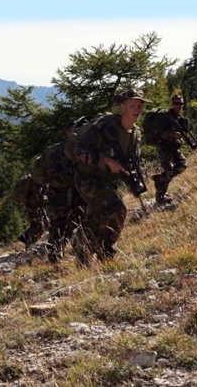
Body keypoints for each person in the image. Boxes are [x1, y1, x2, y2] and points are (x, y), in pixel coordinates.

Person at [73, 89, 147, 263]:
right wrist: (105, 161)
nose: (136, 109)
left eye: (139, 106)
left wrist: (133, 181)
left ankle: (95, 248)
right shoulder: (105, 126)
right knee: (116, 207)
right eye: (132, 105)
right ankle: (99, 249)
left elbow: (131, 162)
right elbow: (79, 151)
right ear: (122, 106)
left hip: (108, 181)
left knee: (105, 213)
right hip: (88, 177)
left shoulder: (135, 134)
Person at [33, 121, 86, 263]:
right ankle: (55, 256)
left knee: (63, 223)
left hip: (61, 193)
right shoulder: (69, 150)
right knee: (63, 223)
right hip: (64, 193)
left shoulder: (54, 150)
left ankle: (57, 255)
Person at [152, 95, 190, 205]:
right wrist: (172, 134)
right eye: (176, 103)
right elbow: (159, 133)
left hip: (174, 148)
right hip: (164, 148)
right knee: (169, 171)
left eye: (181, 103)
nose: (179, 106)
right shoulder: (166, 118)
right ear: (172, 104)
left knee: (182, 165)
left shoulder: (180, 119)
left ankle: (160, 178)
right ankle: (160, 196)